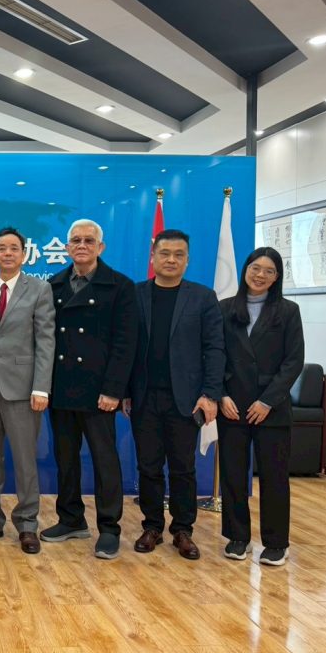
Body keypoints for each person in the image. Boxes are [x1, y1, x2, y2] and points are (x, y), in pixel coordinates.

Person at [124, 229, 224, 561]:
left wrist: (210, 394)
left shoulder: (203, 297)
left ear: (187, 259)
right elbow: (125, 346)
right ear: (152, 257)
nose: (171, 260)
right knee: (148, 466)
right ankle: (152, 526)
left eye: (179, 254)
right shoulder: (136, 294)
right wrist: (124, 391)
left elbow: (215, 348)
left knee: (183, 468)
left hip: (187, 399)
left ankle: (183, 530)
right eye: (164, 253)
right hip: (144, 396)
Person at [46, 219, 137, 560]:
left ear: (101, 247)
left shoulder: (120, 286)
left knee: (104, 461)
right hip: (61, 387)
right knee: (65, 458)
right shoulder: (54, 285)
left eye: (89, 240)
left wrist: (114, 390)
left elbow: (125, 344)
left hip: (99, 391)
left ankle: (109, 528)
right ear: (67, 247)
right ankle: (70, 519)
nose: (81, 245)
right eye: (75, 240)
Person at [0, 227, 55, 554]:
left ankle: (27, 524)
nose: (7, 253)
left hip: (23, 389)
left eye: (13, 248)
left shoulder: (40, 289)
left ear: (24, 254)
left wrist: (41, 387)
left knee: (25, 460)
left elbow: (46, 340)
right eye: (1, 248)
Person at [219, 247, 304, 566]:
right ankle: (237, 537)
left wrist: (268, 400)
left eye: (269, 271)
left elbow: (294, 361)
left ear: (277, 277)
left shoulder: (288, 311)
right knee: (233, 475)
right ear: (245, 270)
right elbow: (214, 354)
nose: (260, 275)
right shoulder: (225, 308)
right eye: (255, 268)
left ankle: (276, 543)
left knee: (274, 476)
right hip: (233, 405)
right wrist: (221, 395)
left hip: (272, 407)